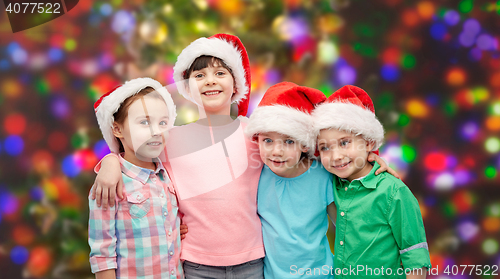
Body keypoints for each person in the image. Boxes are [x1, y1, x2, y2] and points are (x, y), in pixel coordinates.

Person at [93, 34, 265, 279]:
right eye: (199, 75)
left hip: (252, 259)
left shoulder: (255, 133)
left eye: (220, 73)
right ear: (187, 87)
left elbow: (292, 155)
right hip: (196, 263)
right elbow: (132, 155)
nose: (209, 81)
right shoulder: (170, 138)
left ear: (236, 83)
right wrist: (110, 161)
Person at [312, 85, 431, 279]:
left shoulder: (392, 191)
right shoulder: (331, 182)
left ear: (368, 142)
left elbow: (414, 255)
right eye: (325, 148)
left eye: (344, 142)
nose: (335, 156)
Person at [89, 78, 183, 279]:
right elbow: (102, 251)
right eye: (144, 122)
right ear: (117, 129)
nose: (156, 131)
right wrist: (110, 161)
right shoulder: (110, 182)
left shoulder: (166, 174)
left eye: (163, 122)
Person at [244, 82, 336, 278]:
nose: (277, 151)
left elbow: (345, 228)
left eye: (288, 141)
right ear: (257, 139)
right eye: (268, 140)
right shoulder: (257, 173)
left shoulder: (323, 175)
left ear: (304, 144)